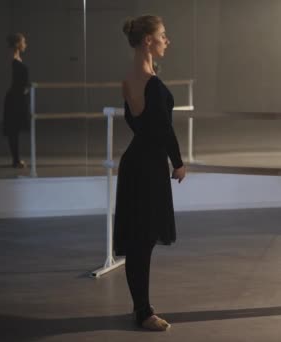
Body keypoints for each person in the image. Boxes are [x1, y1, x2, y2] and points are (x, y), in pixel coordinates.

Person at [113, 15, 186, 331]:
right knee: (142, 240)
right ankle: (143, 312)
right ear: (148, 41)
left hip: (135, 162)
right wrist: (178, 162)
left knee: (138, 239)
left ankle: (141, 308)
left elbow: (138, 124)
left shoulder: (129, 79)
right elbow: (164, 130)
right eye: (163, 35)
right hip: (150, 166)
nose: (167, 41)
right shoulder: (152, 84)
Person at [3, 33, 30, 169]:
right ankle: (16, 160)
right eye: (23, 42)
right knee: (13, 130)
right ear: (18, 44)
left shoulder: (16, 59)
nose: (25, 44)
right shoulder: (14, 59)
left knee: (15, 130)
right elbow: (17, 82)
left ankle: (16, 159)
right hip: (15, 99)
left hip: (17, 98)